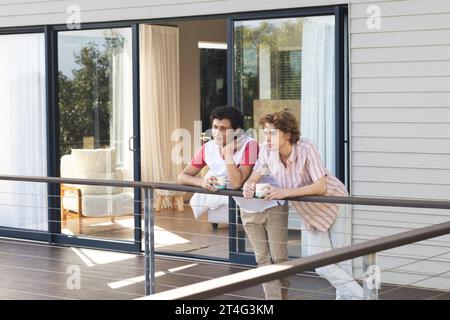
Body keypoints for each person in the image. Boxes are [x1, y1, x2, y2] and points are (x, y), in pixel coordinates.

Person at [243, 111, 364, 300]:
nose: (266, 138)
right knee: (323, 265)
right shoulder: (266, 151)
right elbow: (253, 177)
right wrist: (248, 187)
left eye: (272, 133)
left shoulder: (306, 147)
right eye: (265, 132)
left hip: (336, 203)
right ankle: (365, 297)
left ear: (287, 134)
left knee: (342, 262)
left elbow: (321, 186)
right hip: (311, 213)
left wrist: (284, 192)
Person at [178, 105, 290, 299]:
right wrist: (202, 181)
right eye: (214, 127)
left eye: (223, 128)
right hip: (247, 208)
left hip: (271, 205)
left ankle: (281, 296)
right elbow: (183, 176)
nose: (217, 132)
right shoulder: (207, 149)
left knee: (279, 259)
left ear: (236, 131)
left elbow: (238, 183)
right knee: (263, 259)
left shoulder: (250, 146)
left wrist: (228, 153)